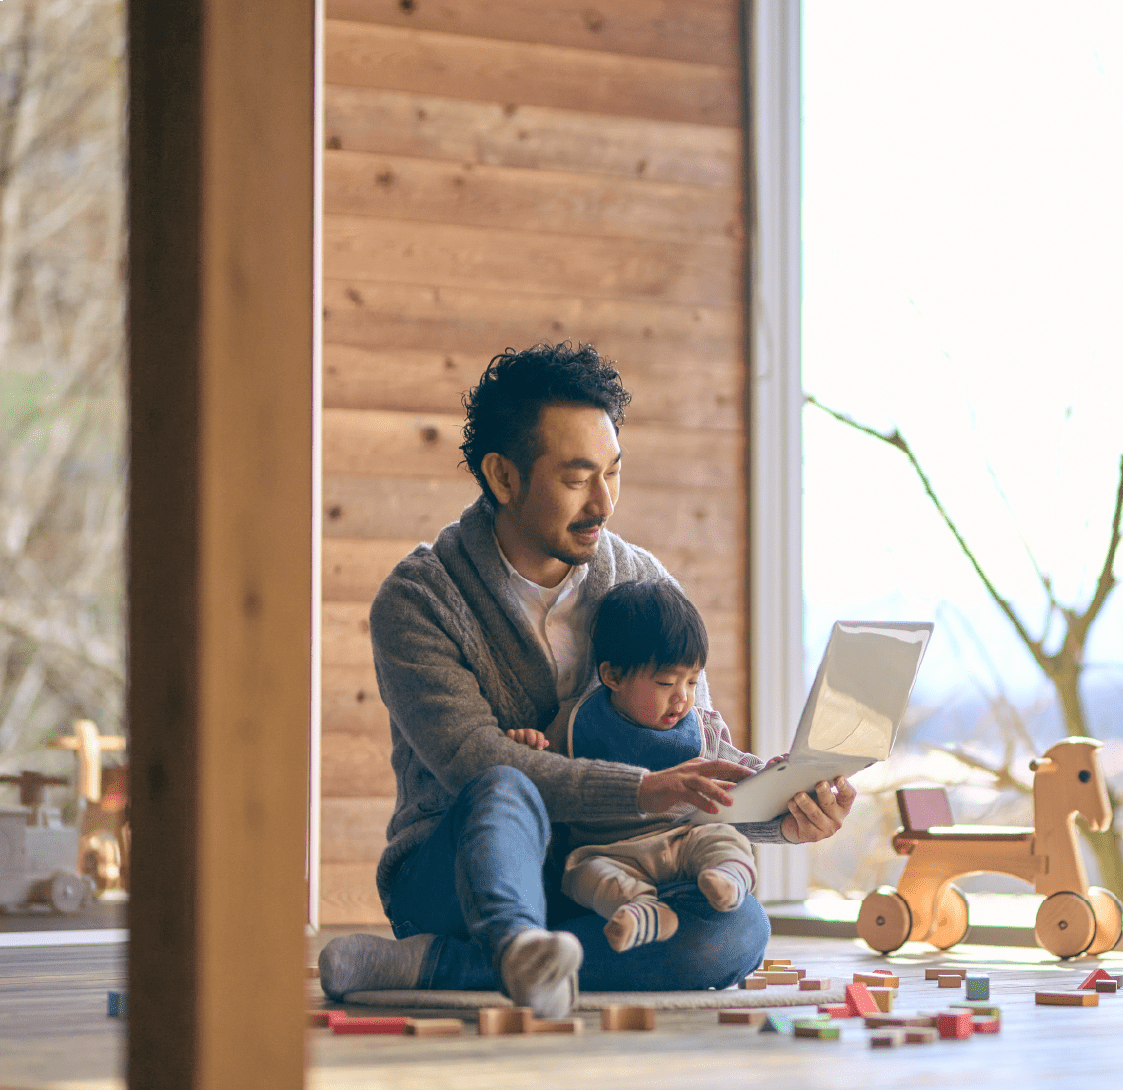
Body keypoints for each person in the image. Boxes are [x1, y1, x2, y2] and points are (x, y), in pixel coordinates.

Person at [318, 342, 854, 1017]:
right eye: (578, 479)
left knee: (737, 929)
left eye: (613, 473)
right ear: (503, 477)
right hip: (459, 878)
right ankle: (509, 942)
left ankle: (445, 966)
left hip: (609, 874)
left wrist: (782, 813)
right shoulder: (421, 599)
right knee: (503, 783)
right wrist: (644, 790)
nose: (604, 502)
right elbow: (471, 761)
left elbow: (686, 749)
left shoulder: (643, 581)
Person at [505, 578, 765, 953]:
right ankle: (643, 912)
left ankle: (729, 877)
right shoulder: (576, 722)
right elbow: (543, 778)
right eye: (665, 683)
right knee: (581, 874)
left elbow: (741, 773)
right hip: (608, 852)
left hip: (685, 840)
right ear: (613, 676)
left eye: (692, 682)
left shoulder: (702, 728)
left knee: (725, 838)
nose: (683, 698)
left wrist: (777, 776)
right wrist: (526, 745)